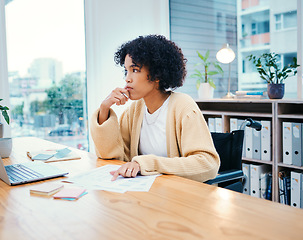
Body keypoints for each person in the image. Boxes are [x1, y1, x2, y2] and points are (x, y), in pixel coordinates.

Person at [90, 35, 220, 182]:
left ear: (157, 74)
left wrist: (147, 164)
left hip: (181, 195)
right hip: (149, 192)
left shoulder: (183, 106)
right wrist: (104, 109)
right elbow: (115, 158)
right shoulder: (134, 111)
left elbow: (208, 164)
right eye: (126, 71)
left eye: (135, 70)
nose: (127, 78)